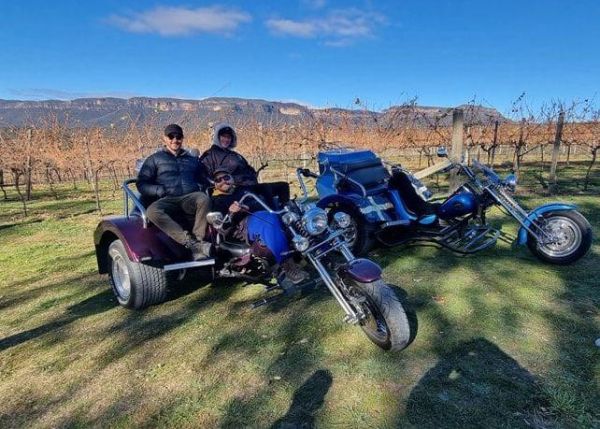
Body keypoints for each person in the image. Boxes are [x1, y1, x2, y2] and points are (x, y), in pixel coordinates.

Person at [210, 168, 307, 284]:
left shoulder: (246, 189)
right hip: (246, 224)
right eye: (218, 180)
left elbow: (283, 185)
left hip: (270, 214)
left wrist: (285, 204)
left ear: (232, 179)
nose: (223, 181)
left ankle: (321, 251)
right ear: (215, 185)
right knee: (267, 218)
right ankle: (288, 266)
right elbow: (222, 228)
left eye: (226, 177)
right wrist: (232, 212)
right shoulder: (217, 201)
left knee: (298, 215)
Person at [137, 124, 212, 260]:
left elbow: (205, 179)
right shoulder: (154, 159)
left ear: (182, 139)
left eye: (178, 137)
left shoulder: (192, 160)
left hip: (189, 197)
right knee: (152, 211)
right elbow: (141, 184)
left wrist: (218, 183)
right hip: (167, 199)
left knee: (203, 198)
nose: (175, 140)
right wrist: (158, 190)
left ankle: (199, 239)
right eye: (171, 136)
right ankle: (192, 244)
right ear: (164, 139)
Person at [200, 123, 290, 208]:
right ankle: (273, 214)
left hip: (251, 185)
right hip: (234, 189)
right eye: (223, 136)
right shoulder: (210, 155)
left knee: (283, 186)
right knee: (266, 195)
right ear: (217, 137)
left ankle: (287, 213)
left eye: (229, 137)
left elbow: (248, 168)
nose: (226, 140)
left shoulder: (235, 155)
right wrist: (224, 184)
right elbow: (205, 176)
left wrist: (252, 176)